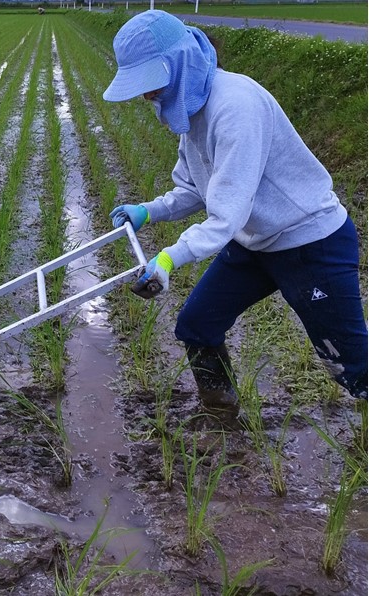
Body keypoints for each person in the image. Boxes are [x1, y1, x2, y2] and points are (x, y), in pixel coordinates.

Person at [103, 10, 368, 415]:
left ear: (177, 66)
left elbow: (225, 216)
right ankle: (221, 418)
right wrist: (147, 212)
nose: (146, 96)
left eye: (150, 84)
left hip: (310, 243)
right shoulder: (189, 108)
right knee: (196, 325)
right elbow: (194, 188)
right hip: (256, 242)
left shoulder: (237, 107)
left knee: (349, 363)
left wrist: (169, 258)